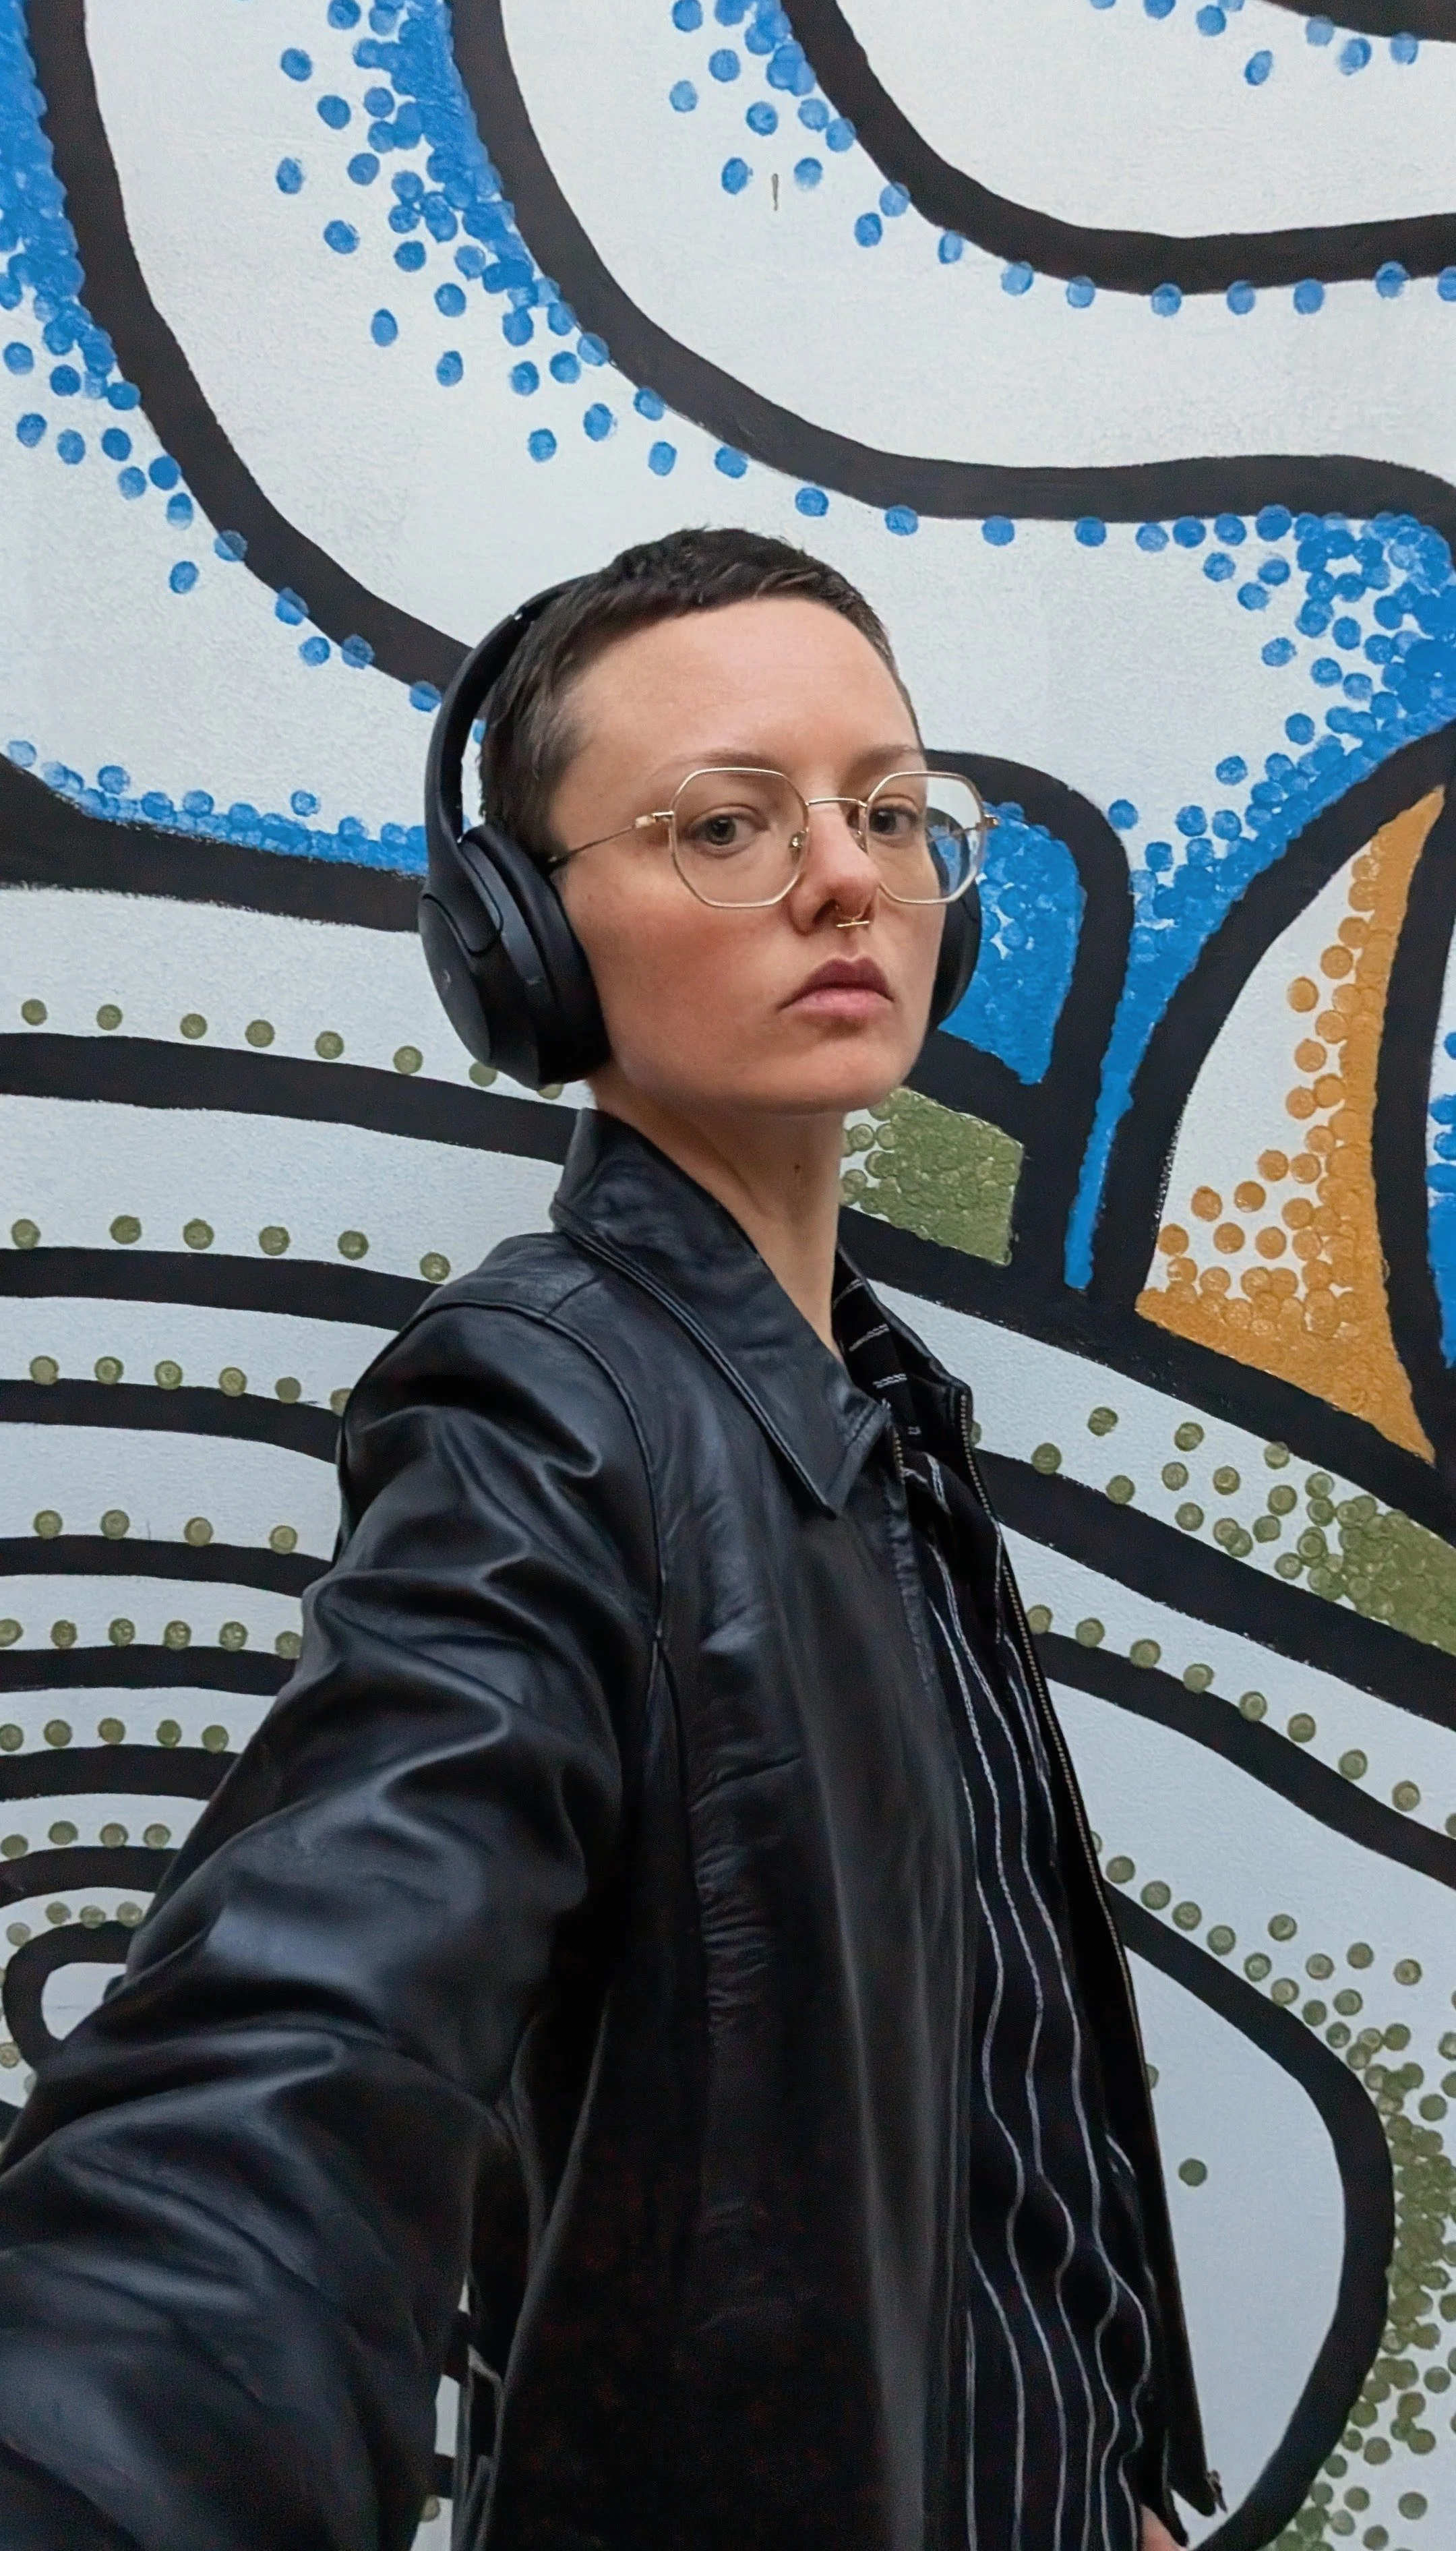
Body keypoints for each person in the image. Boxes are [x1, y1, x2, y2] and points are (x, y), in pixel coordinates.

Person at [0, 529, 1215, 2550]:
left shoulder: (884, 1415)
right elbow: (310, 2019)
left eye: (886, 812)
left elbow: (987, 2102)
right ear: (525, 950)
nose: (844, 877)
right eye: (727, 824)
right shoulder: (541, 1407)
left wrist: (1109, 2484)